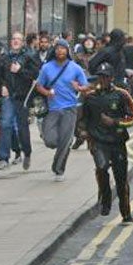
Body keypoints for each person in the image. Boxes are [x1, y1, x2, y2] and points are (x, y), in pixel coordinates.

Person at [82, 62, 133, 223]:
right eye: (101, 77)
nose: (103, 80)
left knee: (121, 178)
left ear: (112, 78)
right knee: (101, 167)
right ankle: (105, 200)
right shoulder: (90, 96)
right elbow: (83, 120)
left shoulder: (122, 94)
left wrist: (114, 122)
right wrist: (83, 132)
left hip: (117, 141)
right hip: (98, 141)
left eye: (106, 77)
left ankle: (125, 212)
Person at [35, 38, 88, 180]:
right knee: (50, 140)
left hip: (70, 109)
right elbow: (39, 85)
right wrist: (47, 93)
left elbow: (86, 87)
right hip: (52, 109)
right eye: (58, 48)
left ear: (67, 51)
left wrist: (79, 87)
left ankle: (59, 169)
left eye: (63, 48)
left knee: (65, 141)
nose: (60, 50)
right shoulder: (47, 67)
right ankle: (62, 147)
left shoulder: (75, 67)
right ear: (54, 50)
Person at [0, 32, 38, 171]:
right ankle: (3, 158)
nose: (15, 41)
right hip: (9, 96)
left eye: (18, 39)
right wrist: (2, 86)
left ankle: (27, 153)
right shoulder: (5, 58)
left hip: (23, 97)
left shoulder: (29, 56)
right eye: (13, 39)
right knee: (5, 123)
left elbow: (35, 75)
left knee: (22, 128)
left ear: (23, 42)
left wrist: (20, 70)